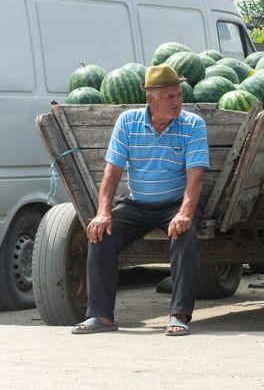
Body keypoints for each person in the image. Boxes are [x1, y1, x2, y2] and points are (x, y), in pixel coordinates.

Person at [71, 64, 209, 336]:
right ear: (151, 99)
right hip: (138, 204)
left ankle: (179, 315)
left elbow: (195, 177)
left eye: (179, 95)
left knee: (185, 235)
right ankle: (101, 316)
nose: (177, 101)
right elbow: (111, 173)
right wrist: (102, 212)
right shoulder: (128, 122)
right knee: (100, 234)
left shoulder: (193, 124)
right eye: (170, 96)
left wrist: (184, 214)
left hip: (175, 203)